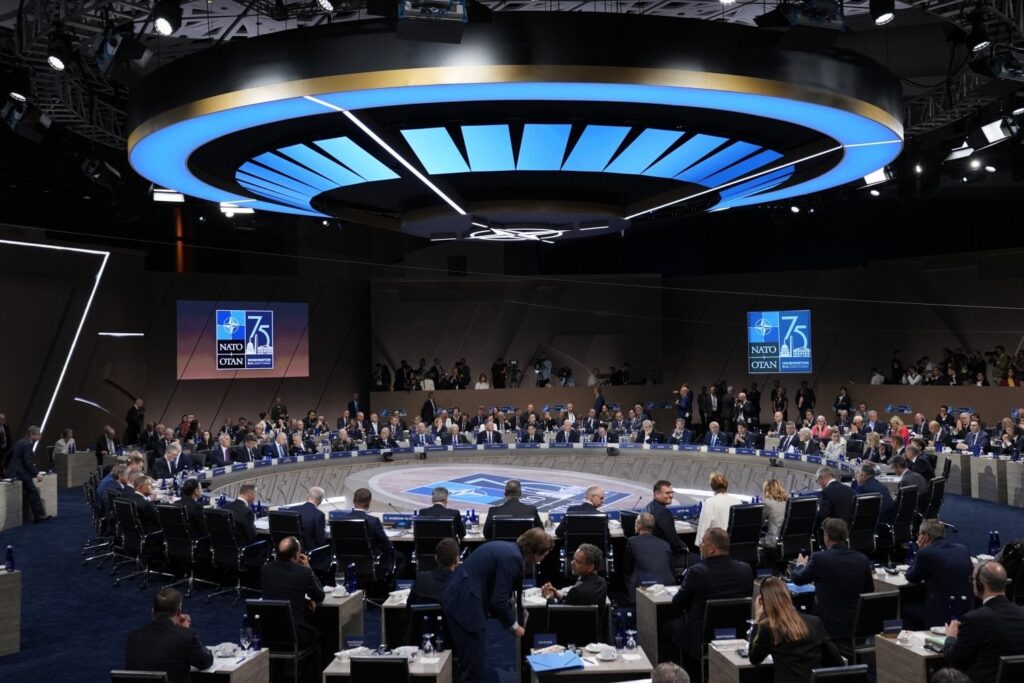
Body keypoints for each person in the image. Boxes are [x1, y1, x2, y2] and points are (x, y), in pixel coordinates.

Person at [440, 528, 554, 683]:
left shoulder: (507, 549)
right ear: (535, 553)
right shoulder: (513, 558)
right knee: (474, 664)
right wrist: (514, 626)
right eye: (544, 555)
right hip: (465, 604)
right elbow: (498, 600)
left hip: (459, 597)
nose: (543, 559)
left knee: (469, 661)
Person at [670, 528, 753, 679]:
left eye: (702, 542)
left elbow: (677, 603)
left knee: (670, 628)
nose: (700, 545)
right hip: (738, 634)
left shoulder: (697, 572)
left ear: (711, 548)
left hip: (701, 637)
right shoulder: (745, 570)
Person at [791, 518, 874, 641]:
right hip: (856, 627)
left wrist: (800, 565)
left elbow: (798, 579)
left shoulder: (820, 558)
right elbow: (869, 590)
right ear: (845, 536)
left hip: (827, 627)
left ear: (826, 536)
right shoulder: (862, 559)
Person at [748, 577, 843, 682]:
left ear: (765, 602)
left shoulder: (768, 628)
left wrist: (756, 620)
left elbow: (754, 658)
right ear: (788, 595)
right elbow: (836, 659)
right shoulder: (814, 622)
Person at [943, 561, 1024, 683]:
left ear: (981, 584)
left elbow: (955, 659)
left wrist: (951, 637)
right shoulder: (1022, 613)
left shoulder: (974, 619)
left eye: (973, 580)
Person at [124, 588, 213, 682]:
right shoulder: (186, 636)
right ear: (179, 612)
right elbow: (205, 661)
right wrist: (185, 630)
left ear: (152, 611)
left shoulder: (133, 637)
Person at [905, 519, 974, 629]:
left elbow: (911, 577)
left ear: (925, 536)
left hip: (939, 613)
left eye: (919, 534)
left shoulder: (926, 553)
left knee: (906, 609)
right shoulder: (962, 549)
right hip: (965, 608)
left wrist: (919, 550)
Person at [261, 536, 325, 647]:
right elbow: (320, 596)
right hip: (295, 634)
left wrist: (304, 601)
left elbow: (281, 592)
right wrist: (308, 568)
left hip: (268, 632)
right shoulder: (304, 572)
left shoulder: (265, 569)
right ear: (297, 555)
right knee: (323, 631)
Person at [341, 487, 400, 575]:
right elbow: (387, 545)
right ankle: (389, 587)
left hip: (346, 563)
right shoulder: (373, 521)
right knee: (402, 558)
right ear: (368, 504)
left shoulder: (341, 520)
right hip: (371, 562)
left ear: (353, 501)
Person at [625, 512, 675, 595]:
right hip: (667, 584)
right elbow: (671, 568)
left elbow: (627, 568)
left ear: (639, 525)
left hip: (646, 587)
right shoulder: (665, 544)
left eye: (636, 522)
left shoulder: (632, 542)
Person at [542, 543, 607, 605]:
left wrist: (549, 596)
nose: (572, 563)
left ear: (590, 567)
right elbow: (574, 603)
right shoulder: (602, 582)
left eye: (578, 562)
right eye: (574, 559)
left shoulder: (577, 591)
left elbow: (556, 614)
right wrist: (558, 595)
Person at [645, 480, 689, 571]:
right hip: (666, 556)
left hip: (653, 555)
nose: (671, 495)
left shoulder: (649, 506)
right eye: (667, 493)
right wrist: (685, 548)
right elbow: (674, 541)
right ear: (657, 494)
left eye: (671, 492)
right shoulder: (663, 513)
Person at [9, 425, 50, 522]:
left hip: (17, 470)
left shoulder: (21, 441)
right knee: (33, 491)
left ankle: (39, 516)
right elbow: (27, 462)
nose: (40, 437)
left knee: (32, 491)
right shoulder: (27, 444)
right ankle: (39, 517)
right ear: (32, 434)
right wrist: (37, 473)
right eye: (38, 435)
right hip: (20, 472)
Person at [410, 537, 460, 605]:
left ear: (436, 558)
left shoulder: (421, 579)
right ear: (457, 560)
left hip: (426, 615)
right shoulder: (461, 586)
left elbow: (410, 607)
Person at [694, 472, 742, 542]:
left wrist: (701, 546)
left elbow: (703, 531)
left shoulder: (709, 503)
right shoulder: (738, 502)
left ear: (712, 485)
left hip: (716, 548)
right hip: (734, 547)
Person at [814, 466, 854, 530]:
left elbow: (822, 515)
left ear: (821, 478)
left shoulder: (826, 492)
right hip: (848, 529)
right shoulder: (849, 489)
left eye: (817, 481)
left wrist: (813, 526)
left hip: (834, 530)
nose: (819, 484)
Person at [293, 486, 328, 551]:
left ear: (307, 496)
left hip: (291, 549)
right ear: (321, 500)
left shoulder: (291, 509)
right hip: (310, 551)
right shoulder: (319, 515)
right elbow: (320, 540)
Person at [760, 479, 788, 550]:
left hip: (771, 541)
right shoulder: (787, 501)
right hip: (785, 540)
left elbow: (759, 521)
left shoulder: (768, 503)